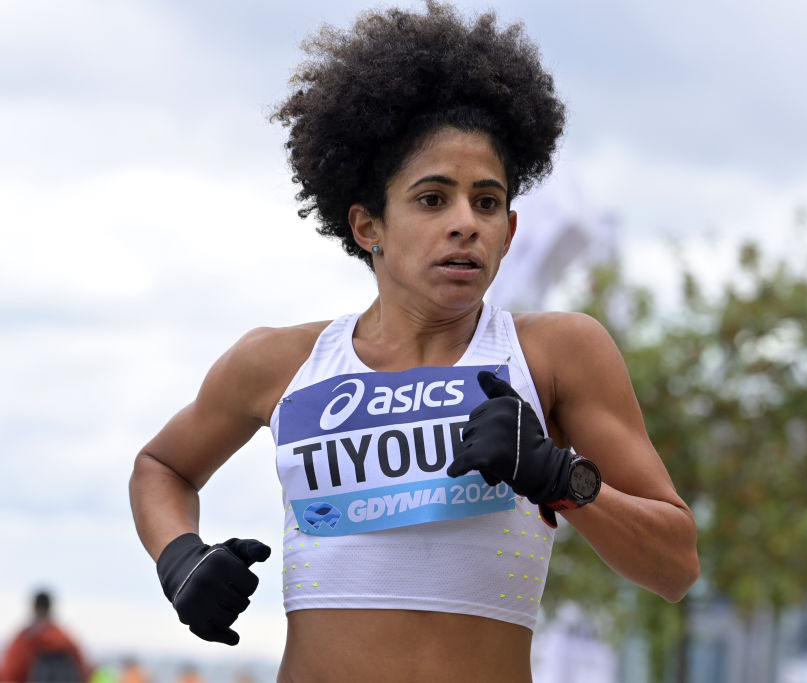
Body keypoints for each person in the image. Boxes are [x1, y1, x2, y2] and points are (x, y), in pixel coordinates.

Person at [128, 3, 699, 681]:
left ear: (510, 232)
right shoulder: (280, 363)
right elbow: (160, 467)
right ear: (368, 225)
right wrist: (180, 559)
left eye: (487, 202)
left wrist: (558, 476)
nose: (466, 223)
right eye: (433, 199)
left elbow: (675, 566)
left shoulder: (557, 353)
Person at [0, 590, 90, 683]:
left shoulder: (25, 640)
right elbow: (84, 673)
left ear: (34, 607)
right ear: (50, 607)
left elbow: (9, 675)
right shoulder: (66, 640)